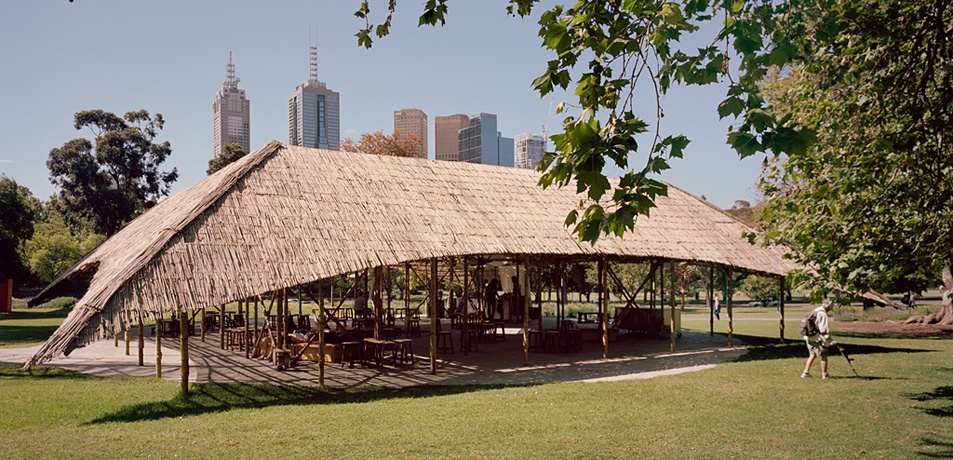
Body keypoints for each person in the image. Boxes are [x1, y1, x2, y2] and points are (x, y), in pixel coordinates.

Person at [802, 299, 836, 379]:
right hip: (818, 338)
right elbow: (823, 330)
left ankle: (805, 372)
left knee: (812, 355)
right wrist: (830, 340)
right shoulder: (822, 314)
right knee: (824, 355)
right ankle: (824, 374)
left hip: (809, 337)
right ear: (828, 306)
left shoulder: (815, 311)